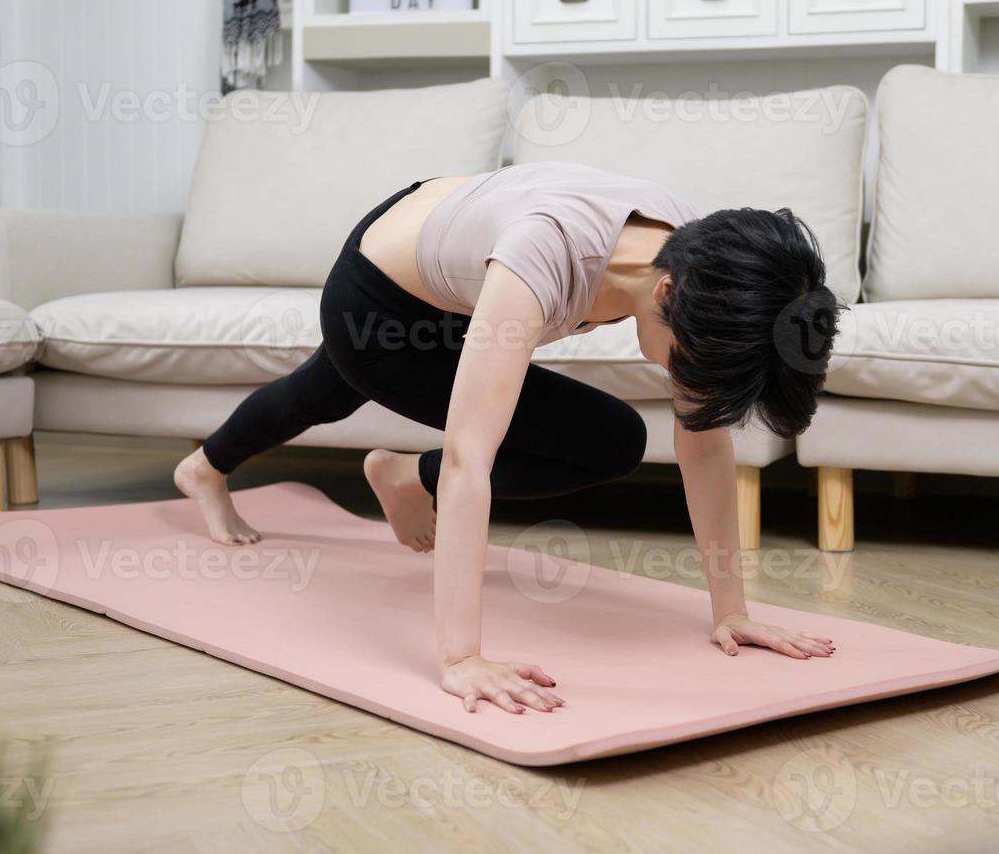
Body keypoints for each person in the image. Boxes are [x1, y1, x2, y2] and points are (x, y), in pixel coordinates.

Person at [174, 161, 842, 715]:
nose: (687, 380)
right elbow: (471, 458)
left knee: (328, 386)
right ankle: (353, 474)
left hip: (455, 263)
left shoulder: (709, 270)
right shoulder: (545, 255)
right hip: (377, 296)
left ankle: (218, 467)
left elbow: (703, 437)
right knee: (345, 379)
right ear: (664, 292)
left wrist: (731, 610)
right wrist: (461, 658)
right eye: (690, 363)